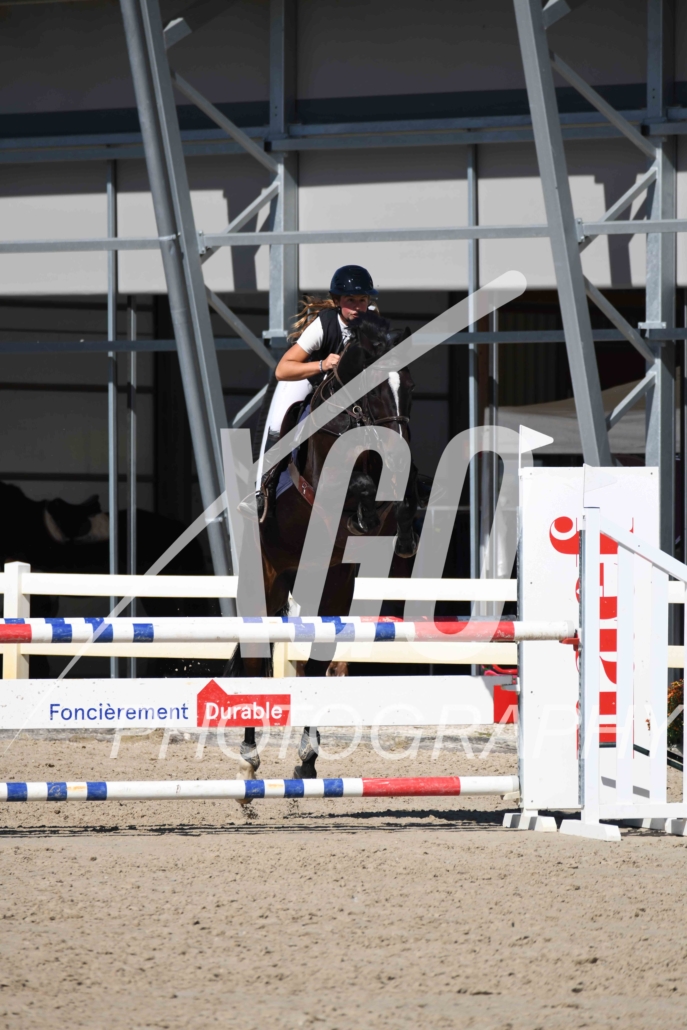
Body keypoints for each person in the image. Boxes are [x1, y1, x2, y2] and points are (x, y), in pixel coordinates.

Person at [254, 264, 378, 518]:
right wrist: (322, 365)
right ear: (337, 301)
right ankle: (262, 490)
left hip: (349, 391)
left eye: (362, 300)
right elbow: (283, 369)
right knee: (278, 426)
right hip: (308, 380)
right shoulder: (324, 325)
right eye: (350, 300)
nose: (357, 307)